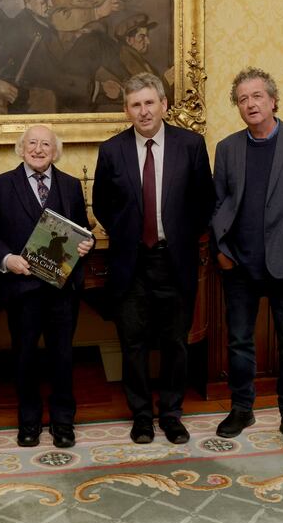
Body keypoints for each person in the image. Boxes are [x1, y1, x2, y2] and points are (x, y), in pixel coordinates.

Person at [92, 73, 215, 444]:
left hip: (175, 261)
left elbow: (204, 201)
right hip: (131, 265)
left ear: (163, 105)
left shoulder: (190, 145)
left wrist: (181, 236)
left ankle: (172, 414)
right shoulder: (111, 151)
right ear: (126, 110)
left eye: (149, 102)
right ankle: (142, 416)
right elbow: (101, 204)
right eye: (135, 105)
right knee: (133, 345)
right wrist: (127, 235)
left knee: (175, 342)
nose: (143, 111)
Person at [210, 68, 283, 448]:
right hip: (239, 266)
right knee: (239, 343)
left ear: (273, 100)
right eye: (242, 99)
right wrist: (222, 252)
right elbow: (218, 204)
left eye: (257, 96)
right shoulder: (227, 149)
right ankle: (242, 408)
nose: (250, 104)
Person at [0, 125, 94, 448]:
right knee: (24, 357)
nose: (38, 149)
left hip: (62, 289)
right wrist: (7, 260)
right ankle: (29, 422)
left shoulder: (71, 185)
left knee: (63, 356)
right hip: (22, 289)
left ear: (55, 151)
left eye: (46, 144)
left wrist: (86, 243)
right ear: (21, 148)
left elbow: (82, 230)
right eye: (32, 143)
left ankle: (63, 422)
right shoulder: (1, 185)